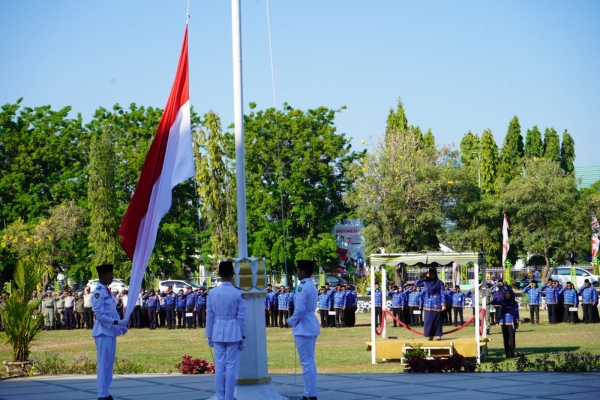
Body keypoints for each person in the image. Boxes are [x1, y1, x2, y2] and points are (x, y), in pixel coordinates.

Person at [205, 261, 246, 400]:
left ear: (219, 274)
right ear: (232, 274)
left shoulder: (212, 292)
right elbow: (241, 318)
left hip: (217, 330)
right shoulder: (238, 293)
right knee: (231, 366)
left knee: (220, 366)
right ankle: (229, 397)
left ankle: (220, 396)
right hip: (233, 331)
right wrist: (243, 336)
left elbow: (209, 315)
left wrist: (209, 335)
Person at [92, 264, 128, 400]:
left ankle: (106, 392)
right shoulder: (97, 292)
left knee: (109, 364)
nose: (112, 277)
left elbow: (112, 312)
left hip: (110, 332)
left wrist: (121, 326)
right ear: (102, 276)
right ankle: (102, 394)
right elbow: (100, 316)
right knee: (103, 363)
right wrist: (118, 323)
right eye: (109, 275)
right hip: (102, 332)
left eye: (112, 275)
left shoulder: (108, 291)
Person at [286, 260, 320, 400]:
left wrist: (290, 321)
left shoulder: (302, 287)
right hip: (310, 323)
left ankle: (309, 394)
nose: (297, 273)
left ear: (303, 272)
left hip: (303, 326)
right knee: (309, 362)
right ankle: (310, 393)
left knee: (306, 363)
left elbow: (299, 309)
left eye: (298, 270)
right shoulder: (311, 285)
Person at [414, 267, 445, 341]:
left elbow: (442, 293)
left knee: (437, 320)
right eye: (430, 274)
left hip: (437, 304)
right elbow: (416, 284)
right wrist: (422, 276)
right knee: (429, 320)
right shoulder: (425, 282)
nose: (431, 275)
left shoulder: (439, 283)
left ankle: (438, 335)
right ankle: (430, 335)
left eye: (433, 274)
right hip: (428, 304)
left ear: (435, 274)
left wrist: (443, 304)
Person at [491, 287, 519, 358]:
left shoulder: (514, 303)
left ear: (511, 294)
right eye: (505, 293)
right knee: (505, 339)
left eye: (508, 293)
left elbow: (516, 312)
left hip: (511, 322)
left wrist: (517, 321)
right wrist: (498, 297)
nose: (507, 295)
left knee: (512, 339)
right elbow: (493, 302)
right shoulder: (502, 301)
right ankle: (507, 353)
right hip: (503, 322)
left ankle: (512, 353)